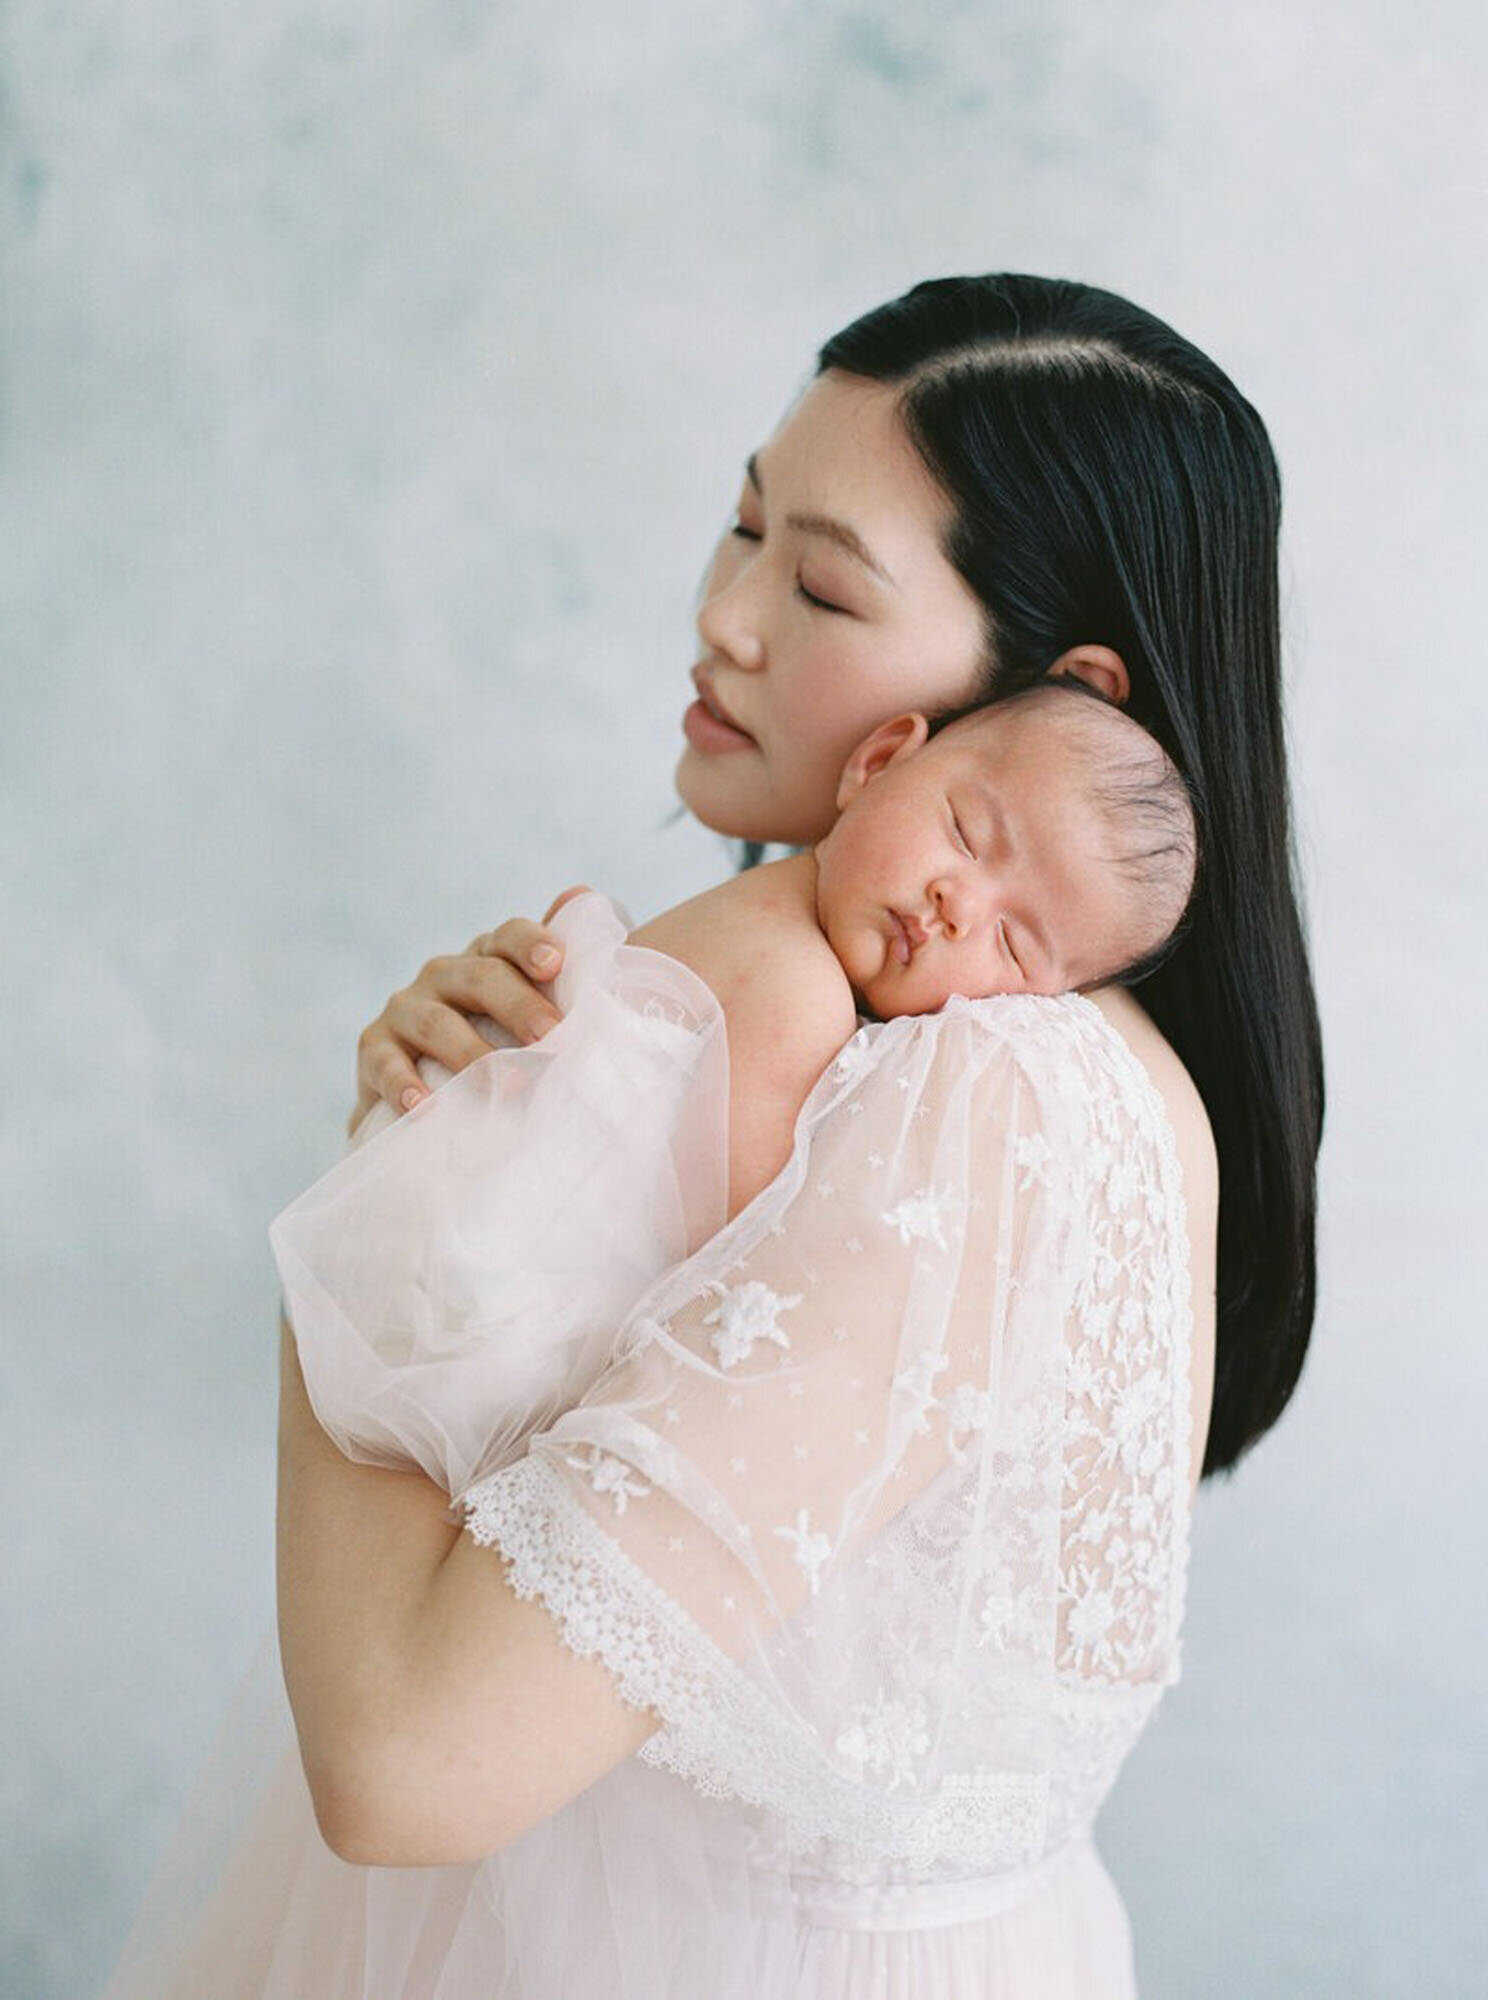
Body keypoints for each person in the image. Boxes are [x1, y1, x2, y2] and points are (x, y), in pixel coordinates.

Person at [104, 274, 1321, 2000]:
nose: (723, 619)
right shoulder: (970, 1058)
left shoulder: (983, 1109)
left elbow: (402, 1767)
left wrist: (399, 1208)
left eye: (820, 583)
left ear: (1058, 692)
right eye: (740, 527)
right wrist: (491, 1124)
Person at [275, 685, 1197, 1503]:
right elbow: (741, 1258)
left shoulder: (771, 920)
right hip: (479, 1299)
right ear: (878, 762)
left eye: (1015, 945)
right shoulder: (795, 988)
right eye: (965, 831)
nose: (960, 905)